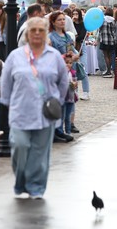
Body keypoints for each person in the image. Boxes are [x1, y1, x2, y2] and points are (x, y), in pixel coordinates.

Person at [0, 17, 69, 200]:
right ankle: (21, 180)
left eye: (41, 30)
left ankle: (36, 186)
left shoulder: (54, 56)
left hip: (45, 114)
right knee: (20, 146)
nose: (37, 33)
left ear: (46, 32)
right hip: (21, 111)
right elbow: (5, 84)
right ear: (27, 34)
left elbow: (63, 81)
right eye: (33, 30)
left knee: (40, 153)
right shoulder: (15, 56)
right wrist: (8, 104)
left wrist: (57, 101)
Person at [47, 11, 82, 141]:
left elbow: (71, 50)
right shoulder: (51, 37)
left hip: (70, 72)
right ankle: (58, 130)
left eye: (63, 19)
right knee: (59, 102)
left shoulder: (67, 36)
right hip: (58, 72)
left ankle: (67, 128)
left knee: (70, 101)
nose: (62, 22)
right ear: (53, 22)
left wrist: (75, 55)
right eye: (59, 20)